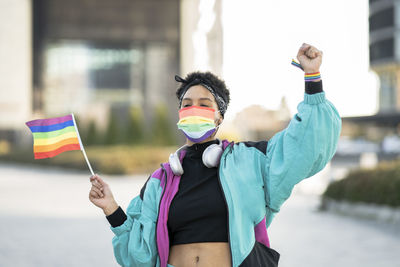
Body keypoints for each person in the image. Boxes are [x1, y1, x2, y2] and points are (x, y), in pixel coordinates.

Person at [89, 43, 341, 267]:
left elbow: (304, 146)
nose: (193, 109)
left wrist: (312, 77)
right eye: (186, 104)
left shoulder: (251, 161)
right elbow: (139, 256)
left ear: (219, 115)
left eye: (203, 103)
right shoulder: (161, 180)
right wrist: (111, 208)